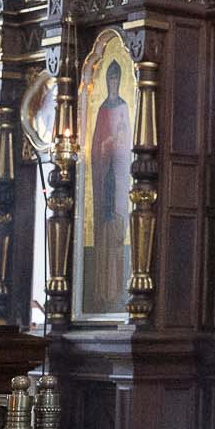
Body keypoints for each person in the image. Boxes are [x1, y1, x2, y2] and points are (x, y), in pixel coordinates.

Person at [85, 60, 132, 311]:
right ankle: (101, 292)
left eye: (116, 78)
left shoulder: (124, 107)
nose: (113, 82)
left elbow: (129, 146)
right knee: (104, 233)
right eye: (110, 78)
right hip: (105, 179)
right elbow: (95, 148)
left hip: (120, 177)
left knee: (117, 230)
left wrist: (118, 142)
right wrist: (106, 145)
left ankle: (117, 291)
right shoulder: (103, 109)